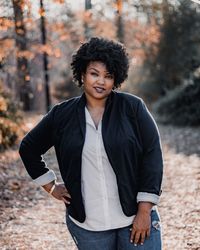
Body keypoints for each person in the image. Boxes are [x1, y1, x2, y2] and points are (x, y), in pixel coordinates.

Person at [19, 37, 163, 250]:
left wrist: (144, 211)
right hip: (87, 225)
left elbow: (152, 156)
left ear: (116, 79)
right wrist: (50, 186)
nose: (101, 82)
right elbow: (28, 148)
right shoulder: (62, 115)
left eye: (108, 76)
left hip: (134, 219)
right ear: (83, 74)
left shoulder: (133, 108)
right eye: (94, 73)